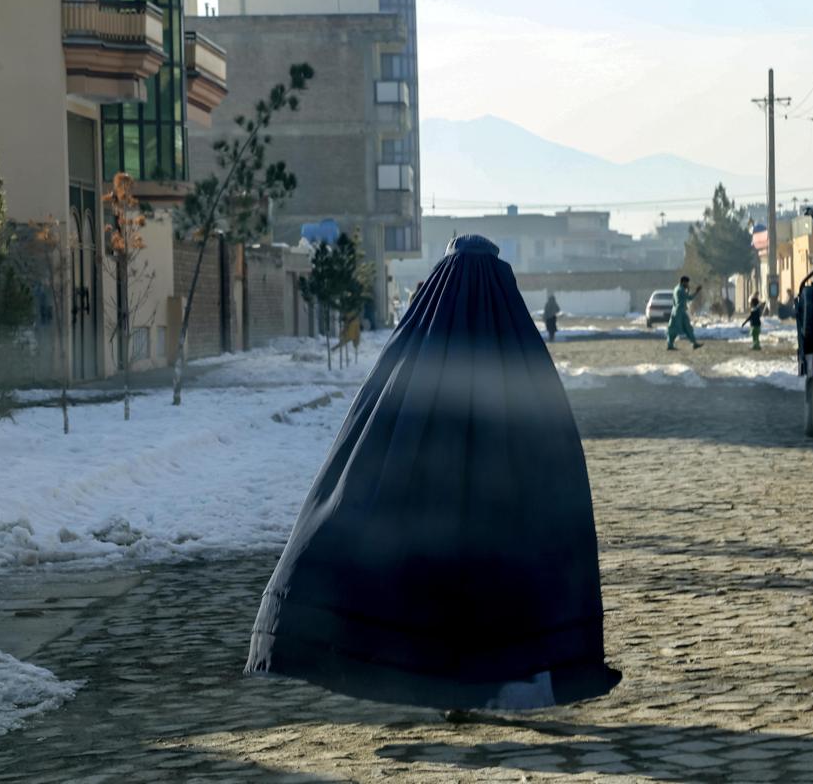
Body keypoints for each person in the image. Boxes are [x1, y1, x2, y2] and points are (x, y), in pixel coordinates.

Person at [246, 234, 621, 711]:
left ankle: (441, 679)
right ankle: (497, 677)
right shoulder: (520, 348)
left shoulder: (416, 347)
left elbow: (365, 447)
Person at [666, 275, 703, 350]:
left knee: (687, 328)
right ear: (683, 282)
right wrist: (697, 291)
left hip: (678, 311)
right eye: (687, 283)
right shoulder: (681, 290)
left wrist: (688, 290)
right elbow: (689, 298)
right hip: (679, 312)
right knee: (674, 329)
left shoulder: (676, 288)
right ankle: (670, 345)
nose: (687, 284)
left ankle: (694, 343)